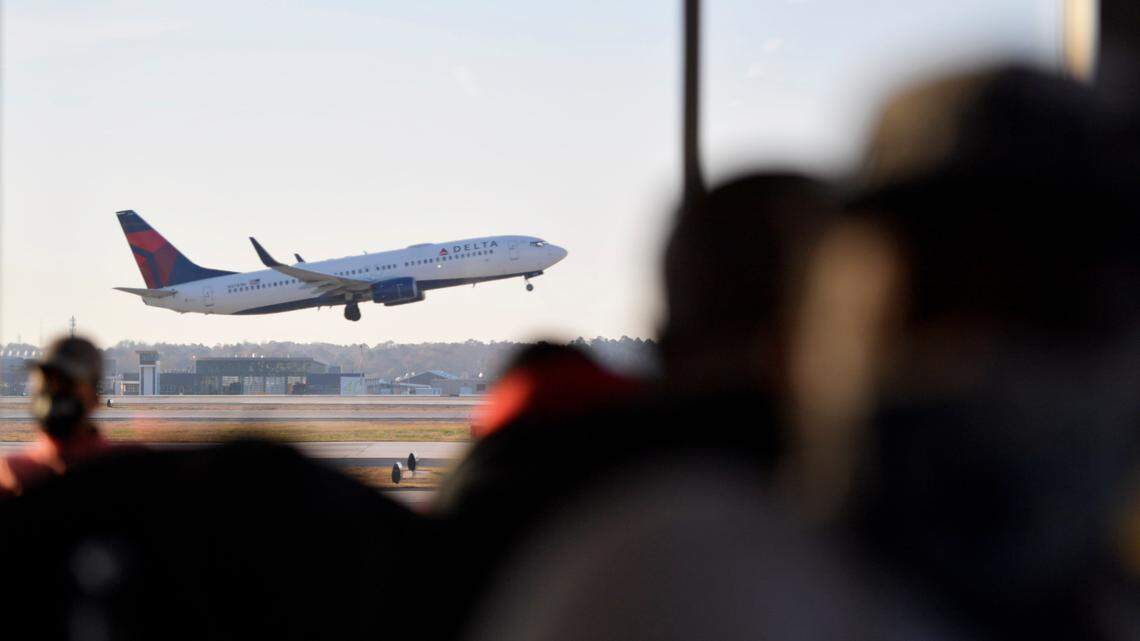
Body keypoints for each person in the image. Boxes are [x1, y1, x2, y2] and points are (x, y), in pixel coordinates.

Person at [0, 336, 129, 499]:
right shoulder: (10, 473)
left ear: (95, 398)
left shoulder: (125, 465)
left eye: (66, 385)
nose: (53, 395)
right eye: (46, 384)